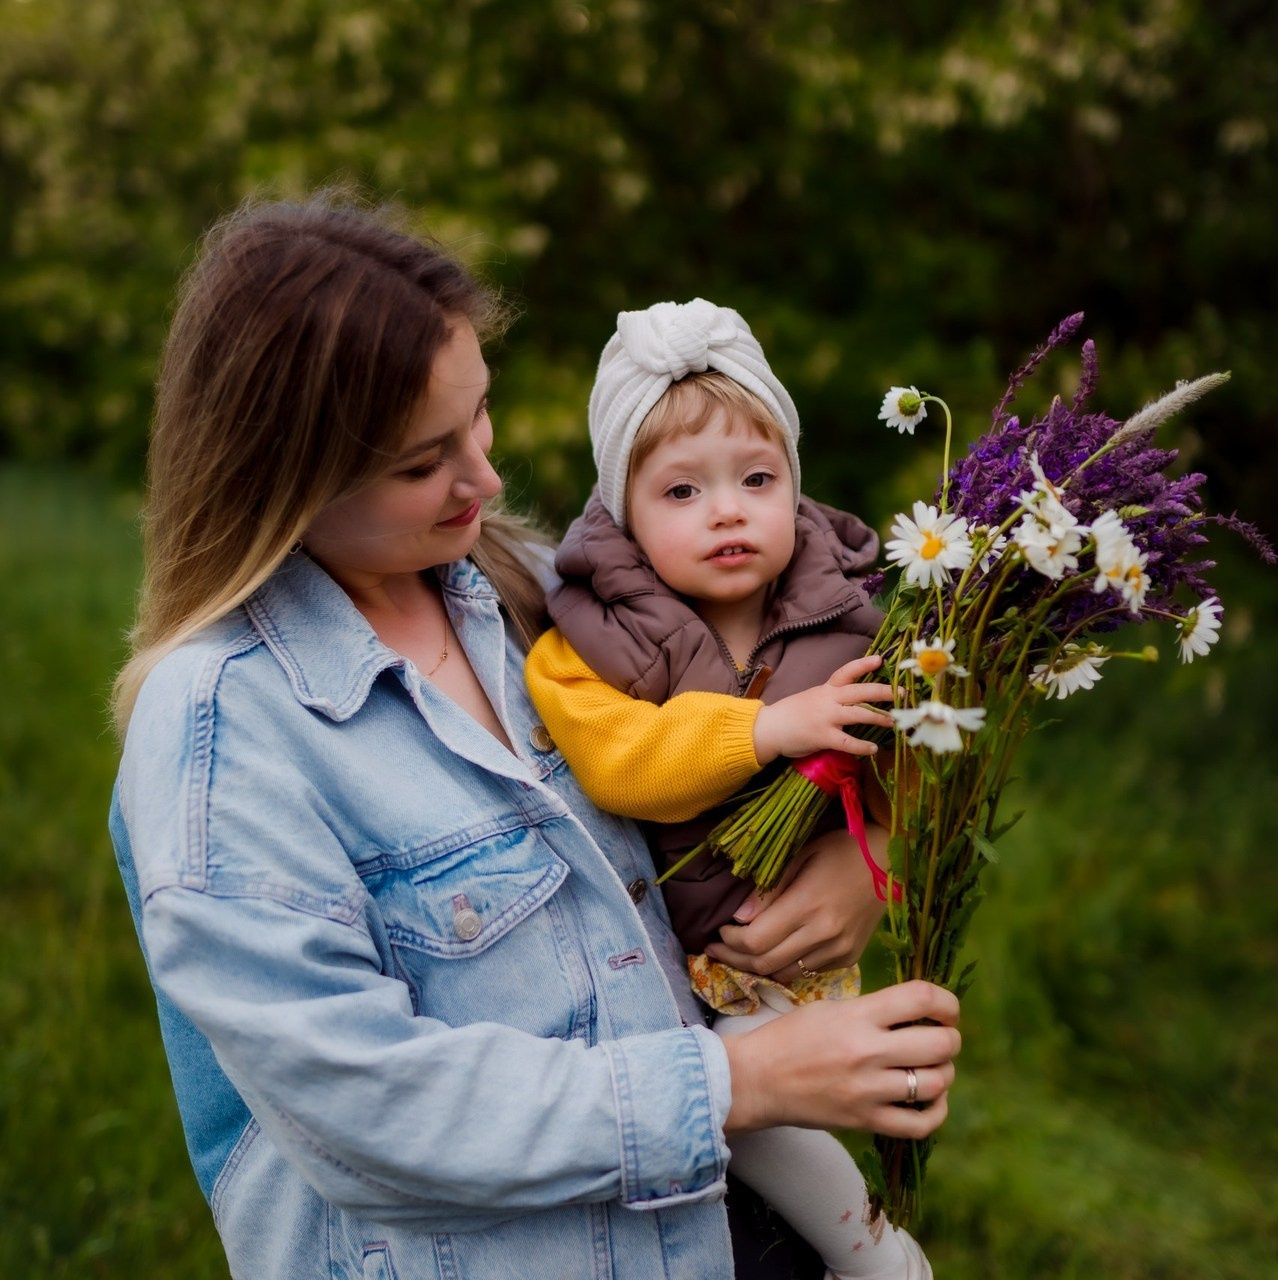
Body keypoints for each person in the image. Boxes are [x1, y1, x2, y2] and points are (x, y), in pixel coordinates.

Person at [108, 194, 961, 1280]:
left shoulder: (534, 598)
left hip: (715, 1232)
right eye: (423, 462)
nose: (487, 477)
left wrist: (862, 859)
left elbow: (752, 763)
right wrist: (739, 1084)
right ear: (283, 477)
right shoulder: (225, 726)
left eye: (480, 417)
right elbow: (366, 1109)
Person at [524, 299, 929, 1278]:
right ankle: (877, 1255)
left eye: (757, 478)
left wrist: (876, 856)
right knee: (747, 1108)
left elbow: (912, 767)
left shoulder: (850, 615)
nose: (727, 510)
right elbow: (621, 761)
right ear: (621, 511)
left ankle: (865, 1231)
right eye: (681, 489)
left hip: (804, 950)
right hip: (676, 978)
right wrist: (763, 729)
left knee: (868, 1076)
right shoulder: (586, 640)